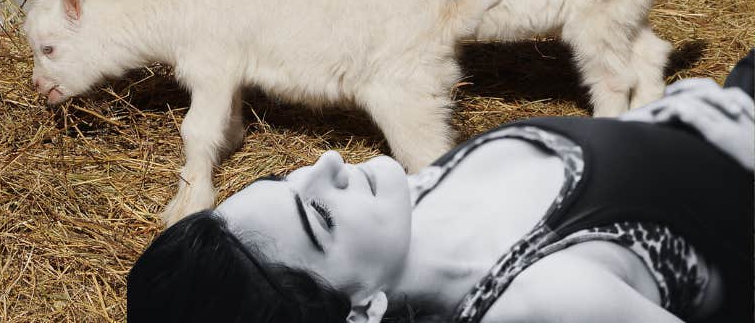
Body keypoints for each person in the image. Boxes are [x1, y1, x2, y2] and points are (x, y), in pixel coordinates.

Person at [127, 50, 754, 323]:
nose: (325, 160)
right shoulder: (540, 301)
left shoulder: (404, 209)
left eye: (287, 175)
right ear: (361, 309)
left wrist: (664, 120)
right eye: (321, 217)